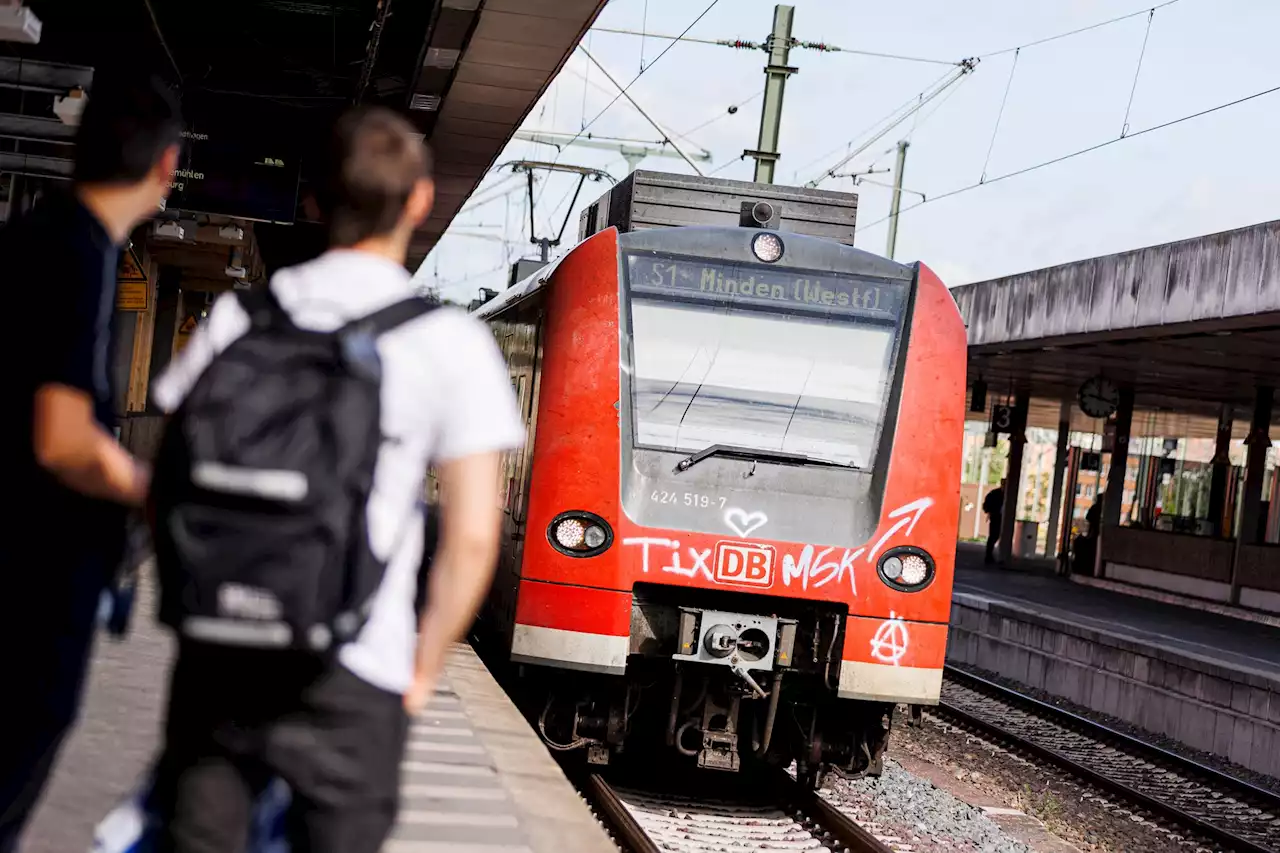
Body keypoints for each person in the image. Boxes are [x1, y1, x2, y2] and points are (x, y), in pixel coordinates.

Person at [148, 106, 523, 853]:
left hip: (221, 657)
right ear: (419, 202)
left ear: (313, 202)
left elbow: (169, 472)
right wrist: (419, 671)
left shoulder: (239, 316)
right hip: (357, 665)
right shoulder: (449, 341)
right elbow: (475, 535)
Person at [0, 72, 181, 851]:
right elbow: (63, 437)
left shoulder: (38, 241)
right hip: (27, 586)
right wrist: (154, 489)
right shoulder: (76, 254)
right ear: (166, 167)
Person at [982, 479, 1006, 565]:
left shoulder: (997, 493)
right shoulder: (996, 494)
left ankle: (991, 556)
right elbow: (986, 505)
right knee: (993, 536)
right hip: (996, 517)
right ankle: (989, 556)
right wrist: (991, 511)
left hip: (999, 517)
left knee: (995, 536)